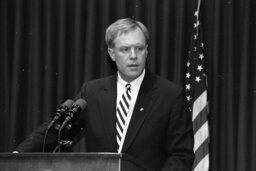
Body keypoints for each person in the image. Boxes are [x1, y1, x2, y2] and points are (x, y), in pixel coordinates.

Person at [15, 18, 194, 171]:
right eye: (125, 49)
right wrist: (16, 157)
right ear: (112, 53)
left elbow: (181, 156)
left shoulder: (170, 95)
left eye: (139, 48)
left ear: (147, 50)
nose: (134, 56)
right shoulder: (92, 92)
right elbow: (57, 130)